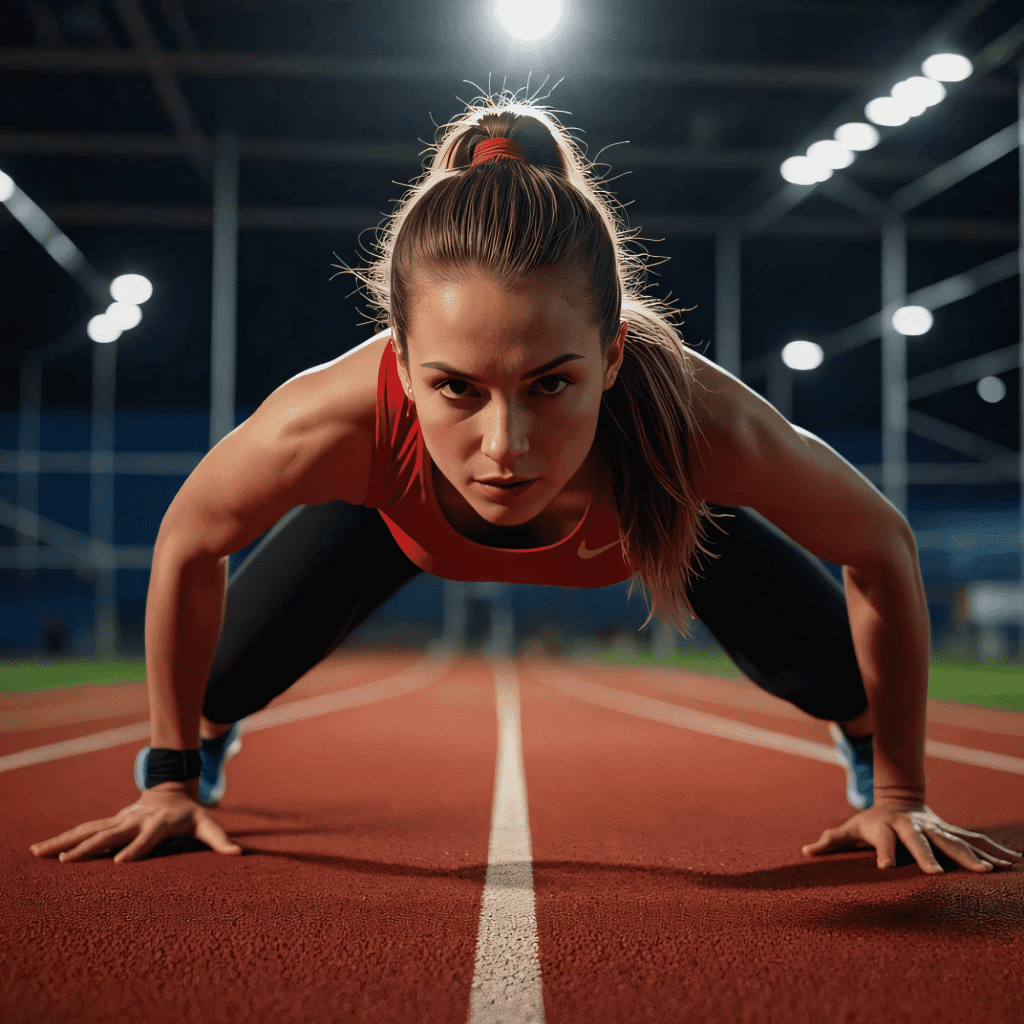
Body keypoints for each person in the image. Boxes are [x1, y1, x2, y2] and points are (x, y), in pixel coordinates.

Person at [30, 94, 1021, 876]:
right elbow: (187, 540)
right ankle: (202, 747)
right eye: (454, 388)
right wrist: (166, 776)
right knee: (212, 689)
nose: (504, 445)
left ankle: (858, 741)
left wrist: (899, 790)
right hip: (387, 524)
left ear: (613, 351)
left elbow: (879, 544)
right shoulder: (334, 420)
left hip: (655, 510)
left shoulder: (690, 422)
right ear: (401, 355)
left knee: (842, 675)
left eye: (552, 384)